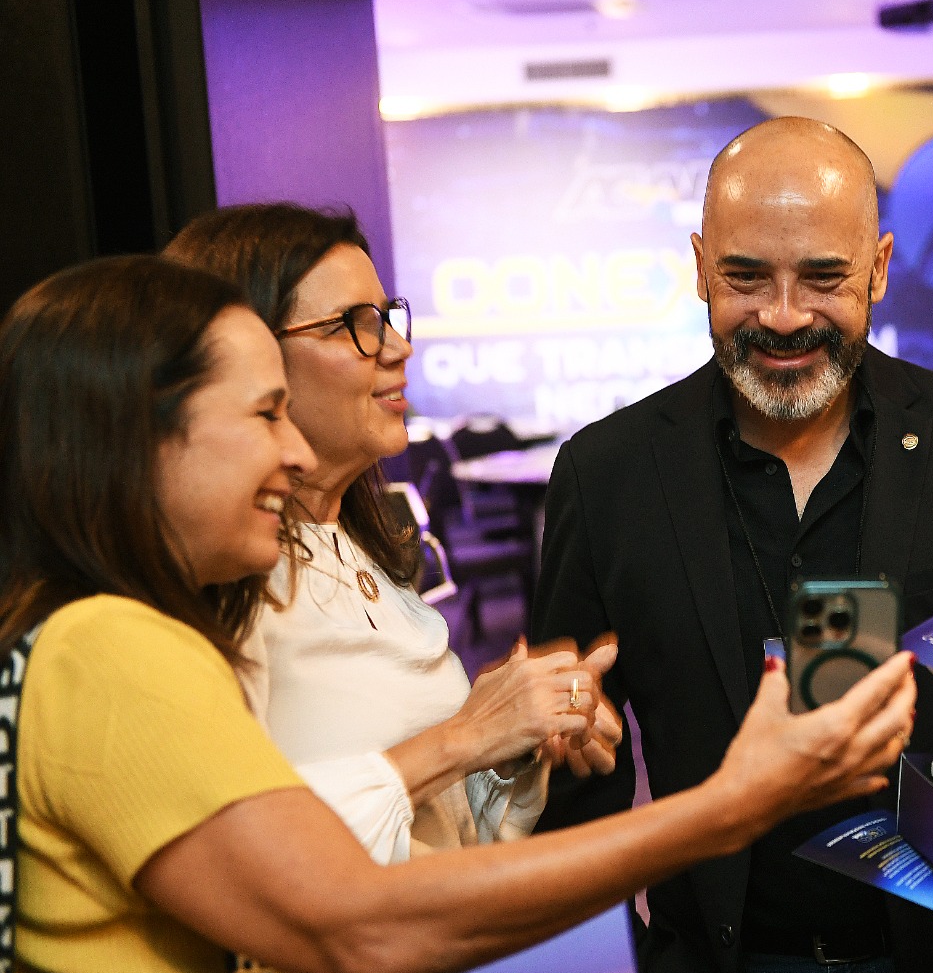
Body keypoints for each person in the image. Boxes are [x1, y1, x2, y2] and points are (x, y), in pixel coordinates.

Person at [0, 255, 917, 973]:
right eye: (264, 413)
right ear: (140, 435)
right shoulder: (108, 650)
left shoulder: (110, 639)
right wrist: (730, 808)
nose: (292, 448)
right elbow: (367, 929)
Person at [533, 116, 933, 973]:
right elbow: (563, 785)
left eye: (823, 277)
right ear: (699, 268)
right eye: (746, 277)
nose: (783, 315)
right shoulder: (607, 477)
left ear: (879, 268)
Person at [164, 205, 615, 864]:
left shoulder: (360, 549)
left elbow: (442, 832)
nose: (398, 348)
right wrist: (468, 735)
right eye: (354, 324)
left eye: (385, 316)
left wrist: (514, 741)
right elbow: (238, 848)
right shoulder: (225, 581)